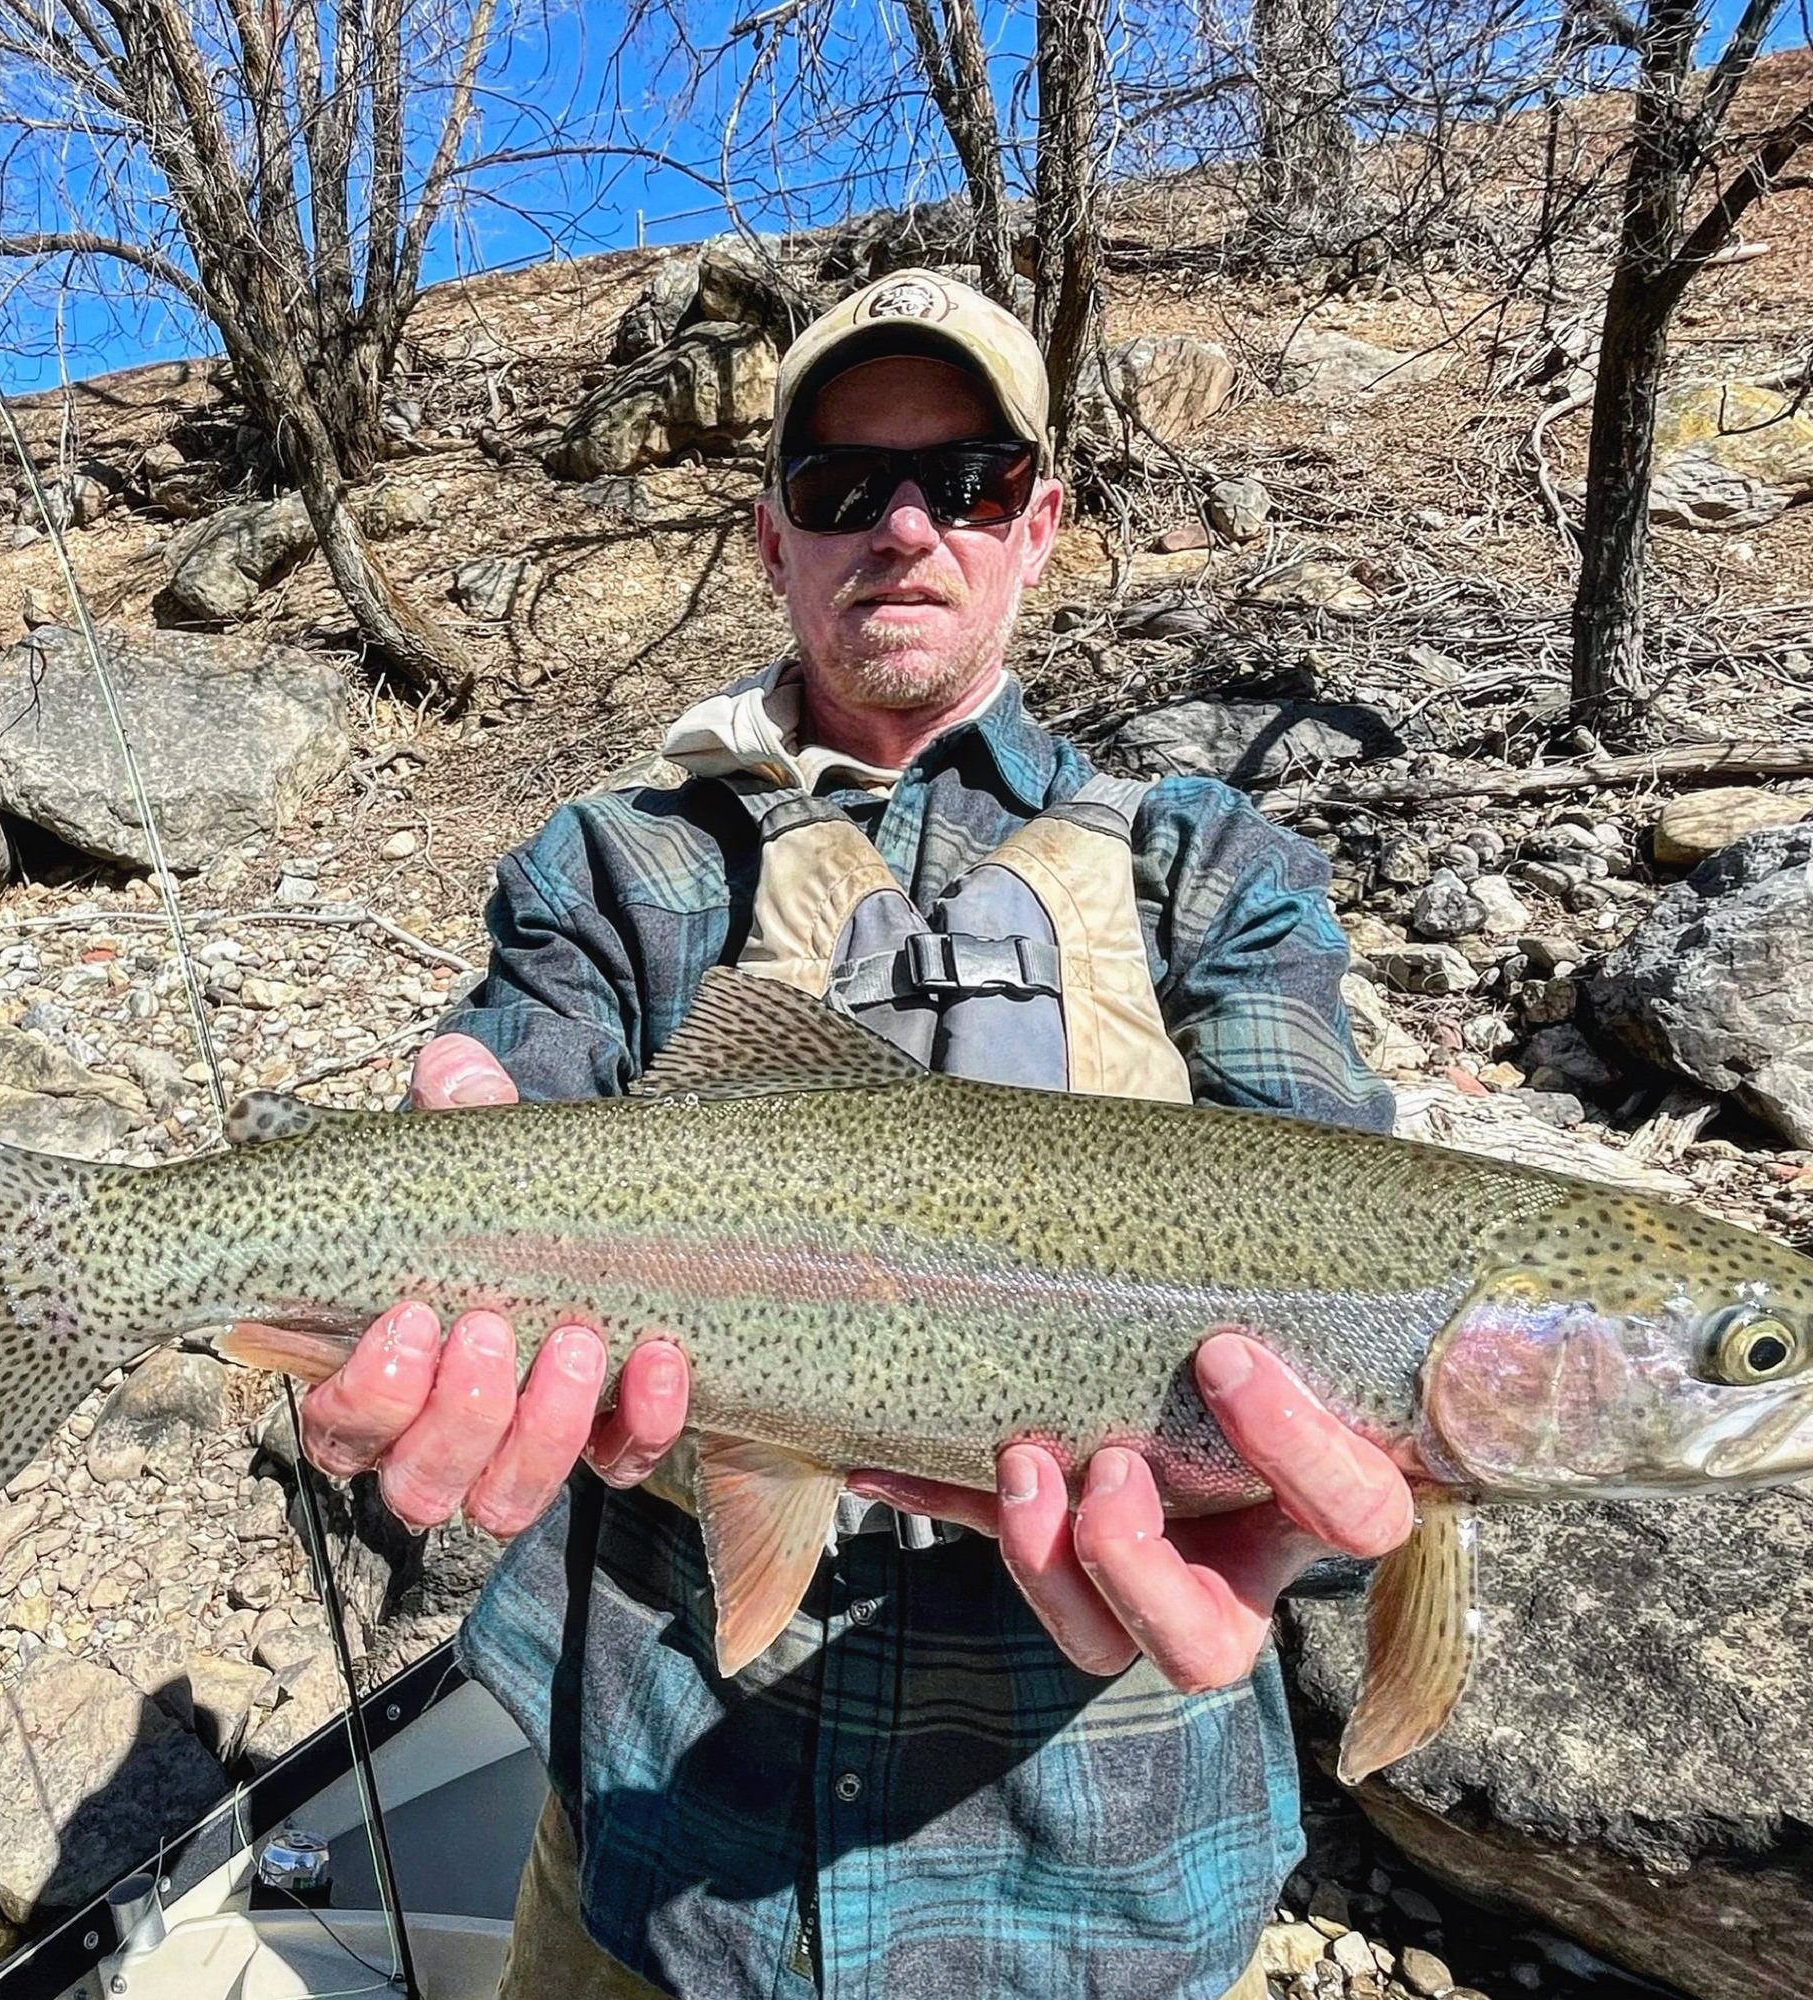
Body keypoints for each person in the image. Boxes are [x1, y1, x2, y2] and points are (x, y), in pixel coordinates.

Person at [280, 268, 1414, 2000]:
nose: (902, 527)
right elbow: (526, 1062)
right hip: (658, 1845)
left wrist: (1325, 1503)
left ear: (1038, 523)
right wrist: (463, 1129)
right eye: (841, 489)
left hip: (1096, 1860)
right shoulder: (619, 863)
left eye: (961, 482)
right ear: (773, 538)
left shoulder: (1212, 871)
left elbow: (1345, 1229)